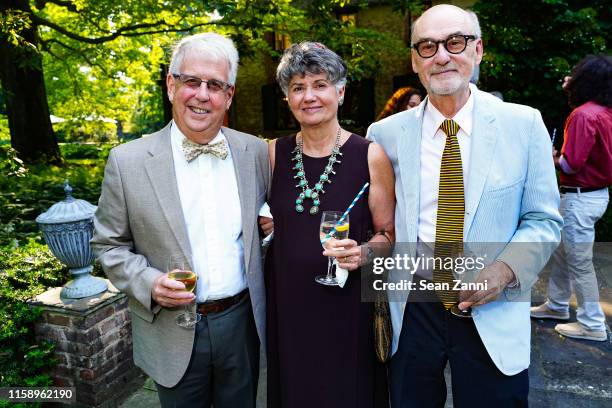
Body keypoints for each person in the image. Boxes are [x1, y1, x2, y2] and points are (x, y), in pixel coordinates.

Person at [367, 5, 562, 407]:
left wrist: (504, 270)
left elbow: (543, 220)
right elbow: (373, 216)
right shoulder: (384, 134)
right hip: (413, 304)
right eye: (427, 46)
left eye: (454, 42)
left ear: (478, 50)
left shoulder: (523, 124)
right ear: (414, 61)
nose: (441, 56)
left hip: (492, 307)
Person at [91, 32, 269, 408]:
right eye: (192, 81)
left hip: (241, 325)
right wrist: (150, 283)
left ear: (229, 96)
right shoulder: (127, 162)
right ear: (171, 85)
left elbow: (269, 225)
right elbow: (108, 246)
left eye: (215, 85)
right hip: (171, 332)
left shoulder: (253, 151)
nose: (202, 95)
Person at [265, 41, 395, 407]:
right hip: (289, 305)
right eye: (297, 87)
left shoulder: (370, 155)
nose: (309, 96)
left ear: (340, 91)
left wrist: (365, 252)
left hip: (348, 305)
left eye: (320, 84)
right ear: (287, 98)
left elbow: (388, 233)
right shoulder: (272, 153)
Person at [531, 55, 612, 341]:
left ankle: (592, 325)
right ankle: (556, 305)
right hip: (595, 195)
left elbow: (571, 164)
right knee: (565, 254)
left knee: (579, 261)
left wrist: (551, 157)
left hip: (579, 196)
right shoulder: (604, 112)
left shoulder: (583, 115)